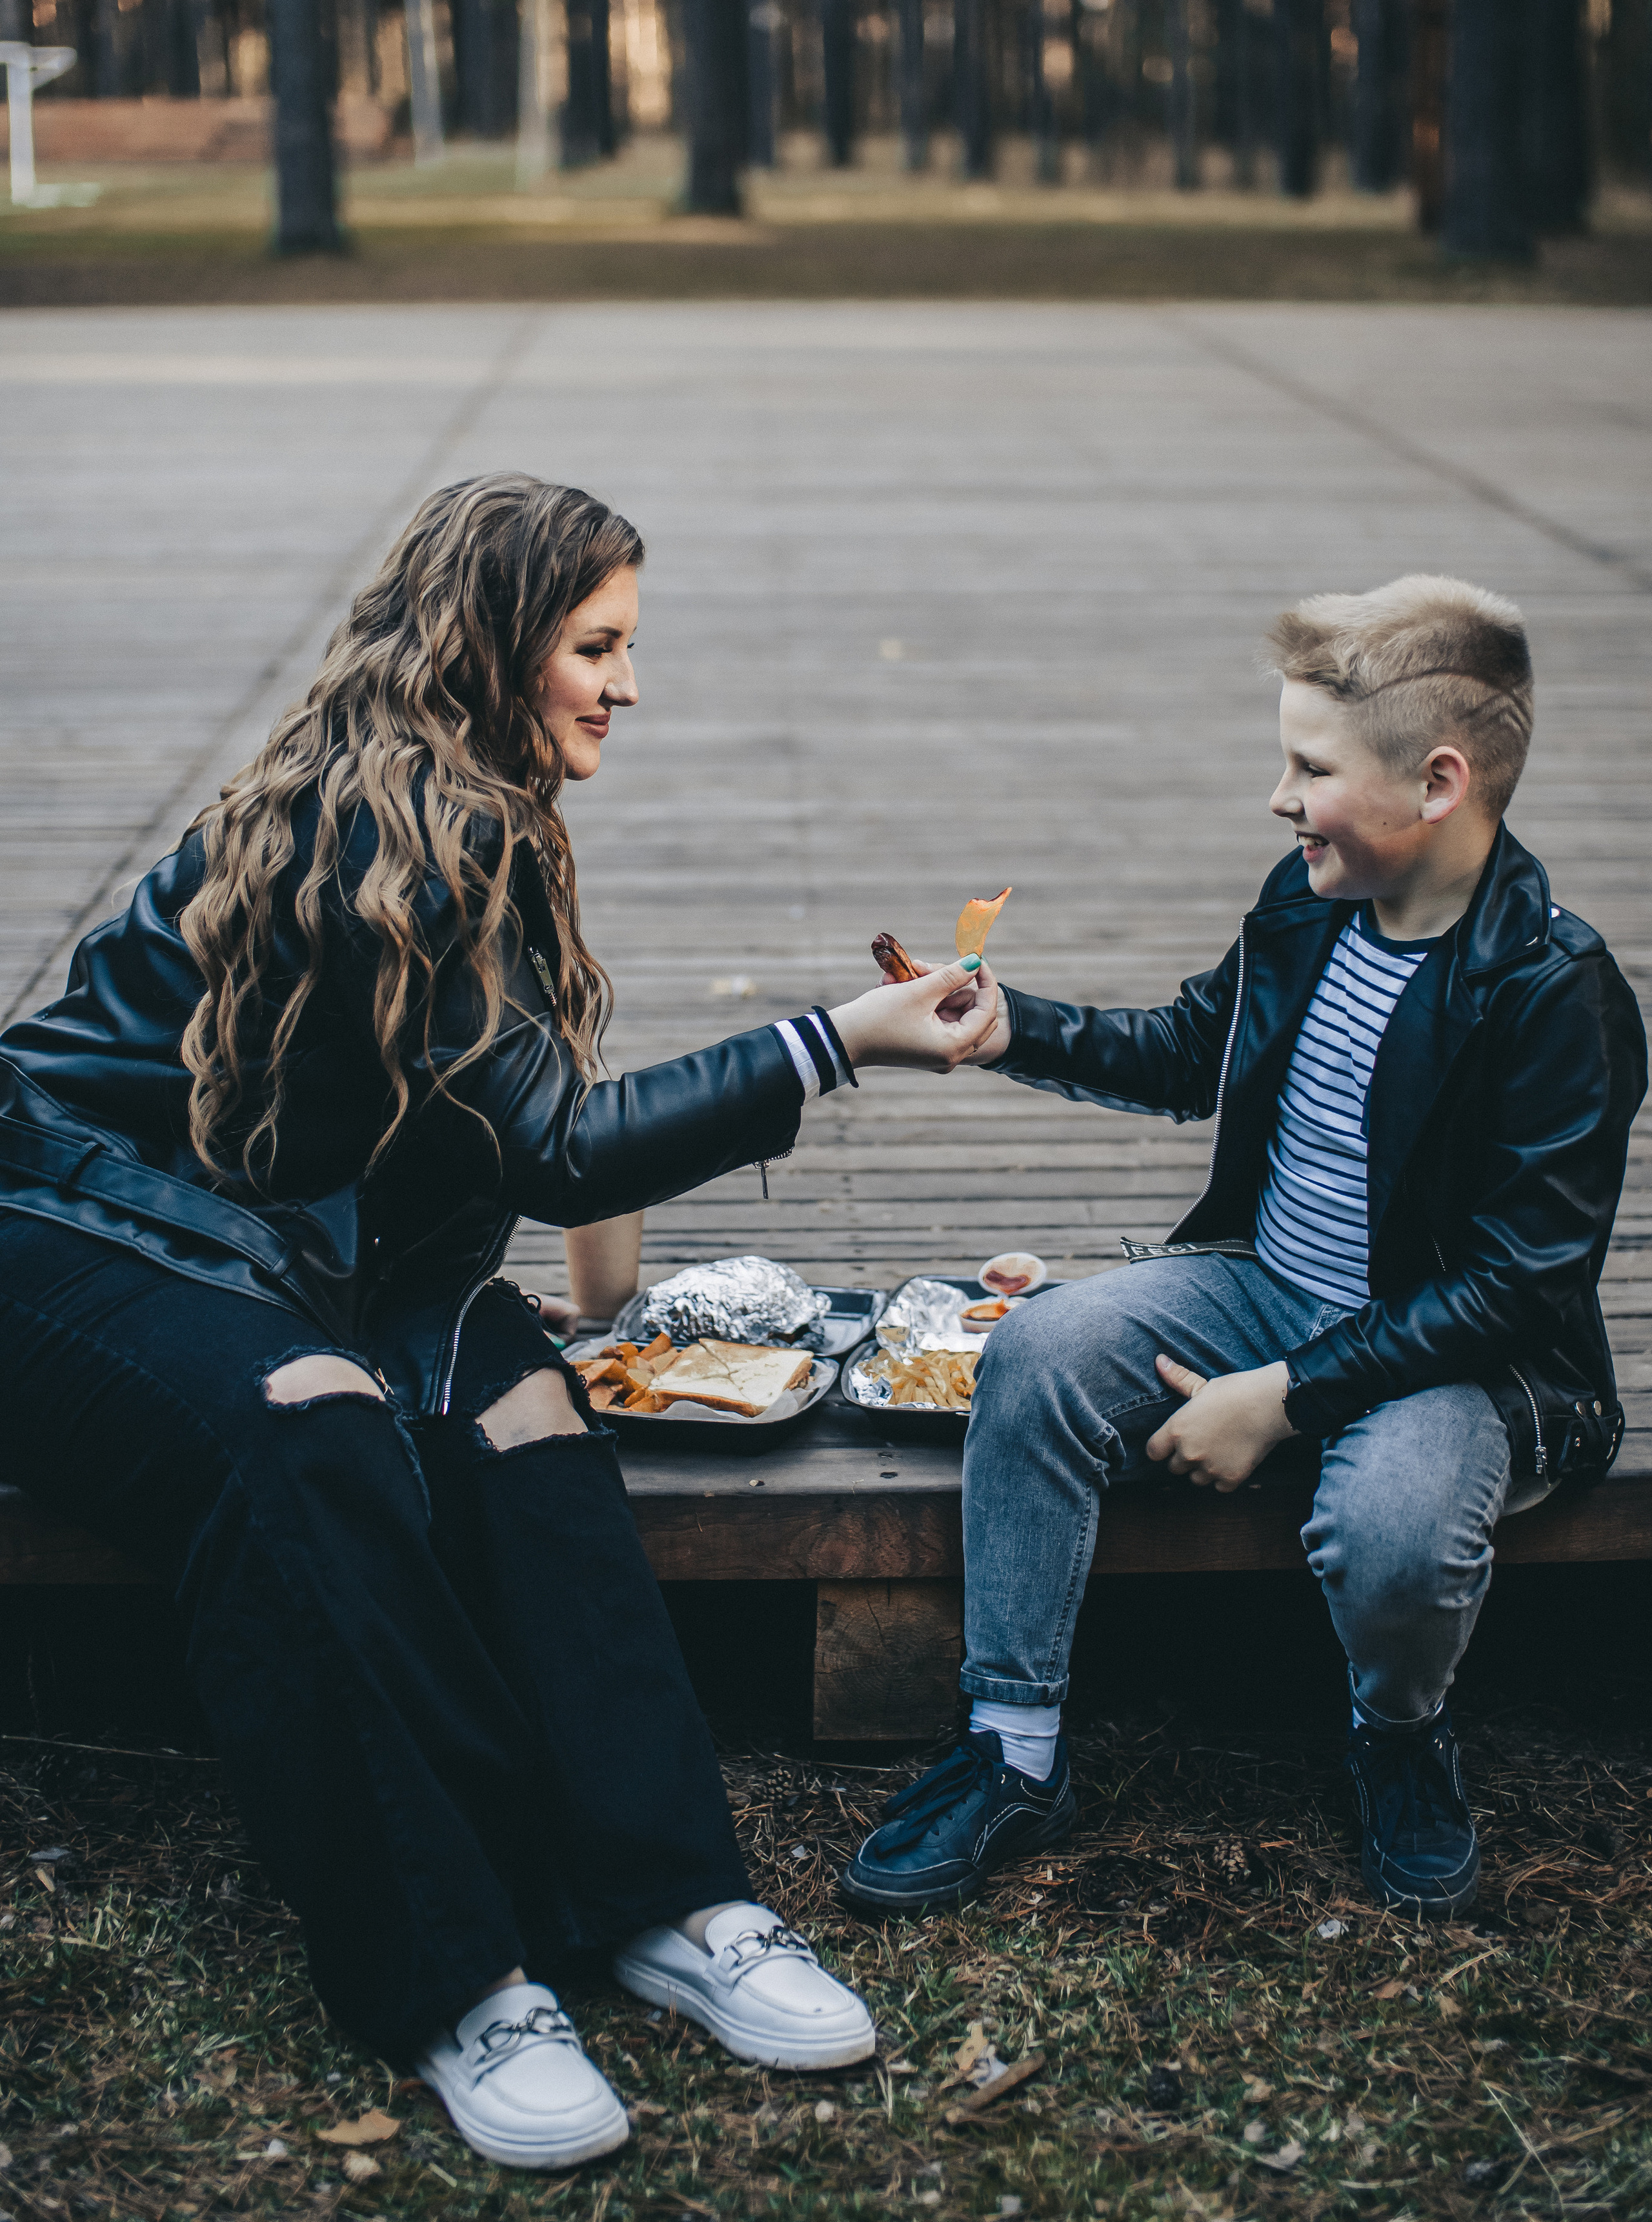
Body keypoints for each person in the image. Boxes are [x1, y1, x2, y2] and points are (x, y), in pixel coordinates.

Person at [0, 473, 996, 2173]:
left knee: (529, 1412)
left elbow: (494, 1136)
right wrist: (840, 1039)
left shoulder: (473, 807)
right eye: (598, 646)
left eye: (630, 647)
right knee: (302, 1420)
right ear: (496, 643)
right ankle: (459, 1973)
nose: (627, 684)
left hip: (289, 1239)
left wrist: (500, 1310)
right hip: (72, 1224)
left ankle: (672, 1899)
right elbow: (566, 1142)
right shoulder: (391, 823)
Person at [841, 575, 1646, 1926]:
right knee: (1033, 1352)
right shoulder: (1307, 898)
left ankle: (1397, 1732)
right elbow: (1188, 1053)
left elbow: (1518, 1285)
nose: (1277, 800)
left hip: (1445, 1354)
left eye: (1307, 768)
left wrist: (1277, 1400)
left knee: (1391, 1525)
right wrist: (1011, 1027)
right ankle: (1012, 1748)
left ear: (1437, 781)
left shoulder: (1552, 993)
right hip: (1263, 1284)